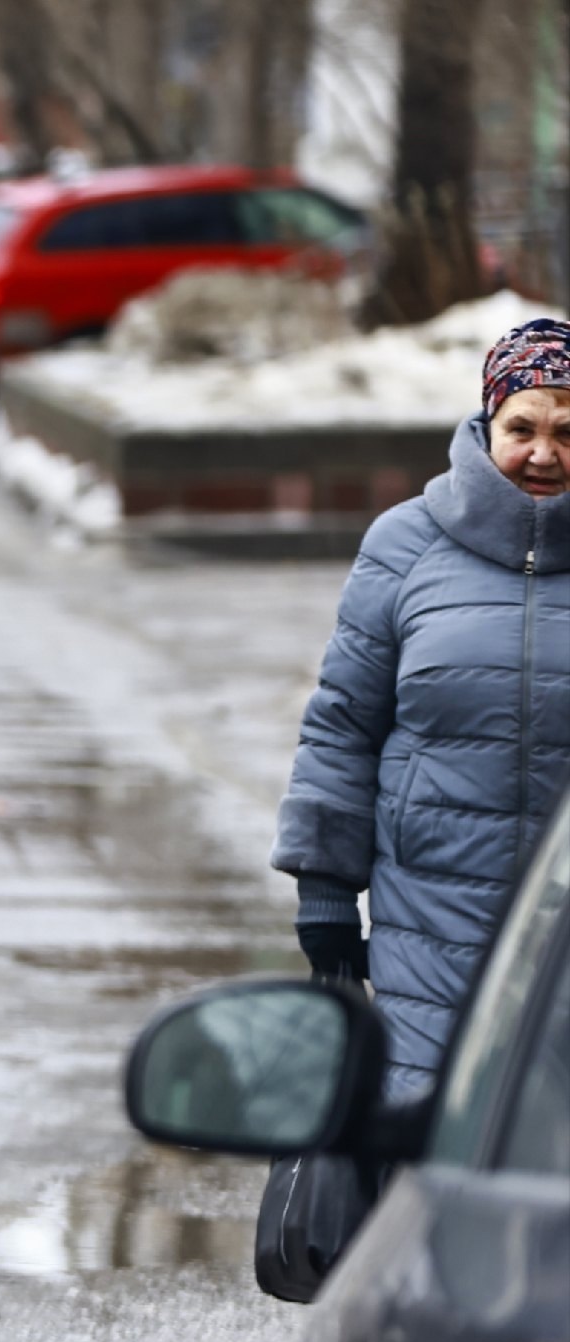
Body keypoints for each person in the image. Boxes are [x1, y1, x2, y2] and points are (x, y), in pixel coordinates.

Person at [274, 317, 570, 1096]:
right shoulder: (406, 545)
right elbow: (343, 726)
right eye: (523, 428)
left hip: (564, 933)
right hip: (429, 924)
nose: (544, 454)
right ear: (486, 423)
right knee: (424, 1144)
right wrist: (328, 893)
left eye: (569, 433)